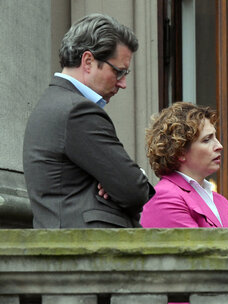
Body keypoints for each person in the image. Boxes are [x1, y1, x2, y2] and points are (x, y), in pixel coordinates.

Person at [23, 14, 154, 228]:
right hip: (87, 251)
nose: (123, 84)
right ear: (88, 61)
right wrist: (132, 177)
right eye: (119, 72)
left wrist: (121, 180)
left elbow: (125, 185)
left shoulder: (58, 103)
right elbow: (134, 191)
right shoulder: (78, 111)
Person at [141, 102, 228, 228]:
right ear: (180, 151)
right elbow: (200, 247)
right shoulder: (165, 198)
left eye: (215, 137)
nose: (219, 146)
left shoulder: (220, 200)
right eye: (207, 140)